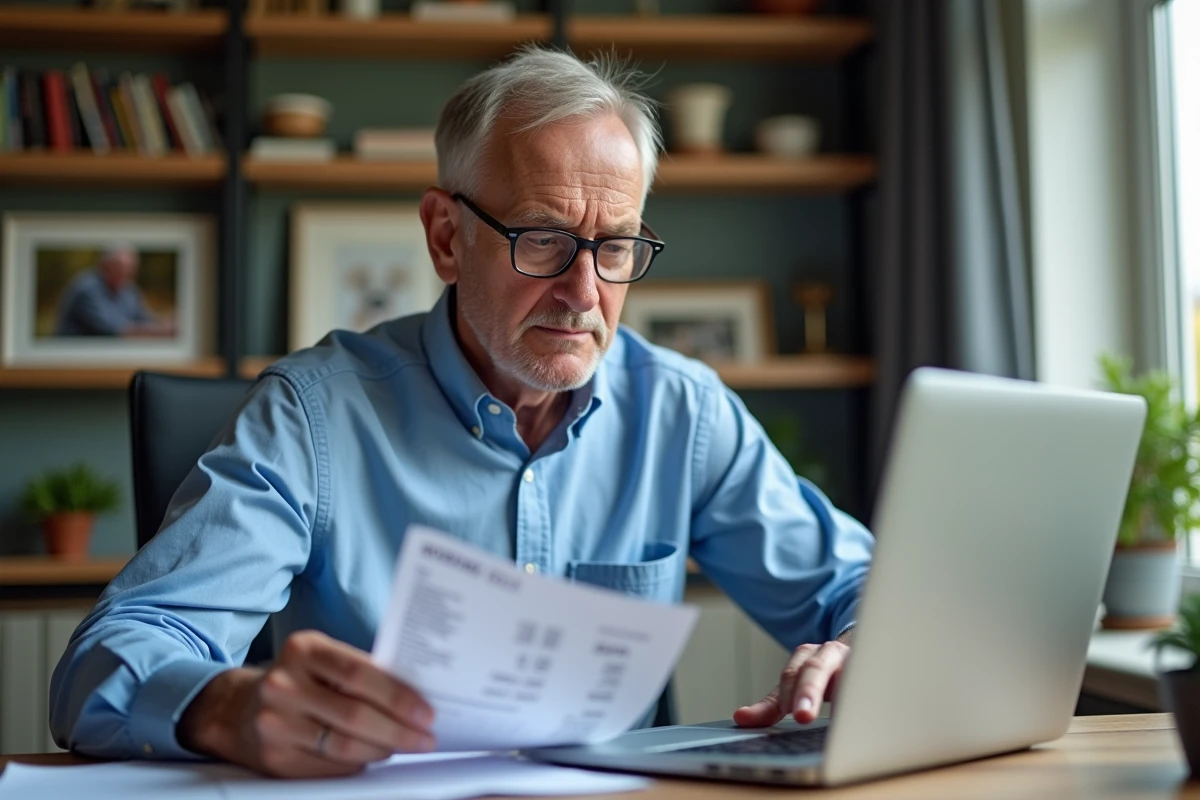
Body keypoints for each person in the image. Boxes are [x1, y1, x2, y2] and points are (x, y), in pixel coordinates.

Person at [49, 47, 874, 779]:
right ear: (446, 236)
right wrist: (227, 706)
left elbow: (858, 585)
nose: (584, 293)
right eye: (543, 239)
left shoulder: (680, 413)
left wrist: (862, 642)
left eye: (616, 246)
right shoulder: (312, 418)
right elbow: (102, 667)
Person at [55, 246, 176, 338]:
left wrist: (165, 323)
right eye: (120, 267)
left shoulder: (128, 290)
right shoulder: (86, 289)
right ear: (104, 266)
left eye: (130, 268)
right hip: (73, 358)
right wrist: (160, 331)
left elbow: (144, 319)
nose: (126, 273)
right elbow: (116, 330)